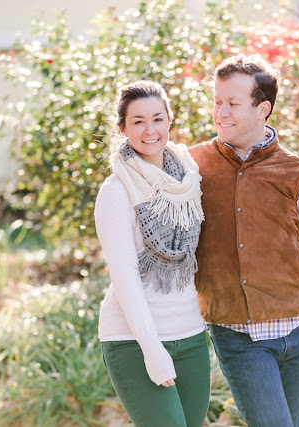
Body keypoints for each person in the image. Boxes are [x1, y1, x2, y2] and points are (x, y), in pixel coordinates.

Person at [189, 54, 299, 427]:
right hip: (237, 334)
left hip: (298, 333)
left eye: (233, 103)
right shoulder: (193, 166)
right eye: (217, 101)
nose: (221, 112)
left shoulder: (297, 172)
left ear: (262, 108)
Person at [94, 80, 209, 427]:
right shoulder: (116, 192)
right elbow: (125, 276)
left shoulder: (189, 179)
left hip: (189, 334)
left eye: (157, 119)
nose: (150, 130)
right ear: (123, 128)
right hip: (134, 340)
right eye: (138, 121)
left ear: (169, 120)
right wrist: (151, 348)